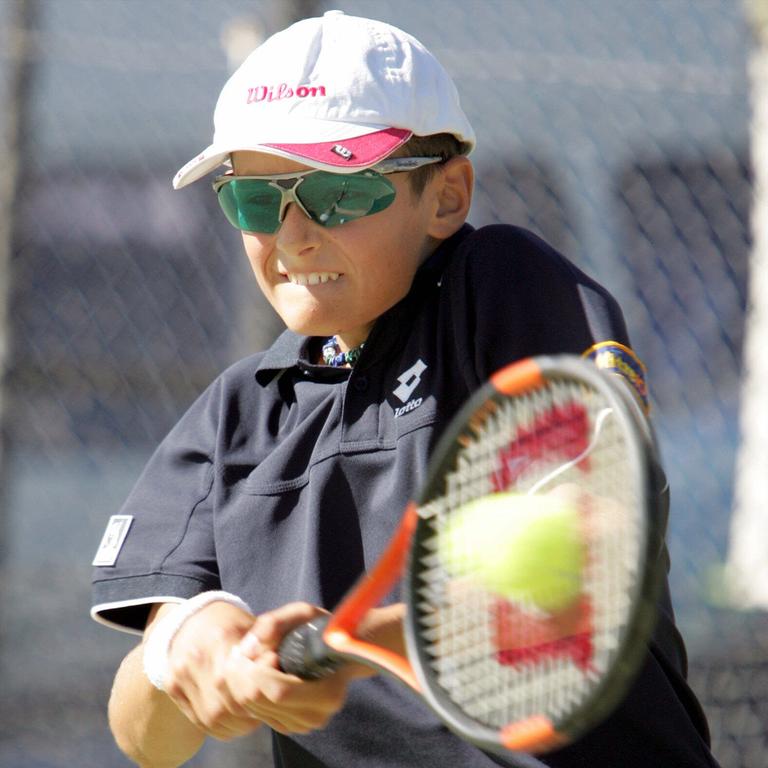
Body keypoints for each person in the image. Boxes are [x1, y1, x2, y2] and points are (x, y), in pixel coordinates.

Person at [91, 10, 720, 768]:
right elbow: (143, 737)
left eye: (335, 191)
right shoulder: (238, 414)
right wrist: (188, 652)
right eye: (255, 200)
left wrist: (357, 642)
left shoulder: (501, 288)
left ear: (447, 196)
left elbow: (586, 543)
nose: (292, 234)